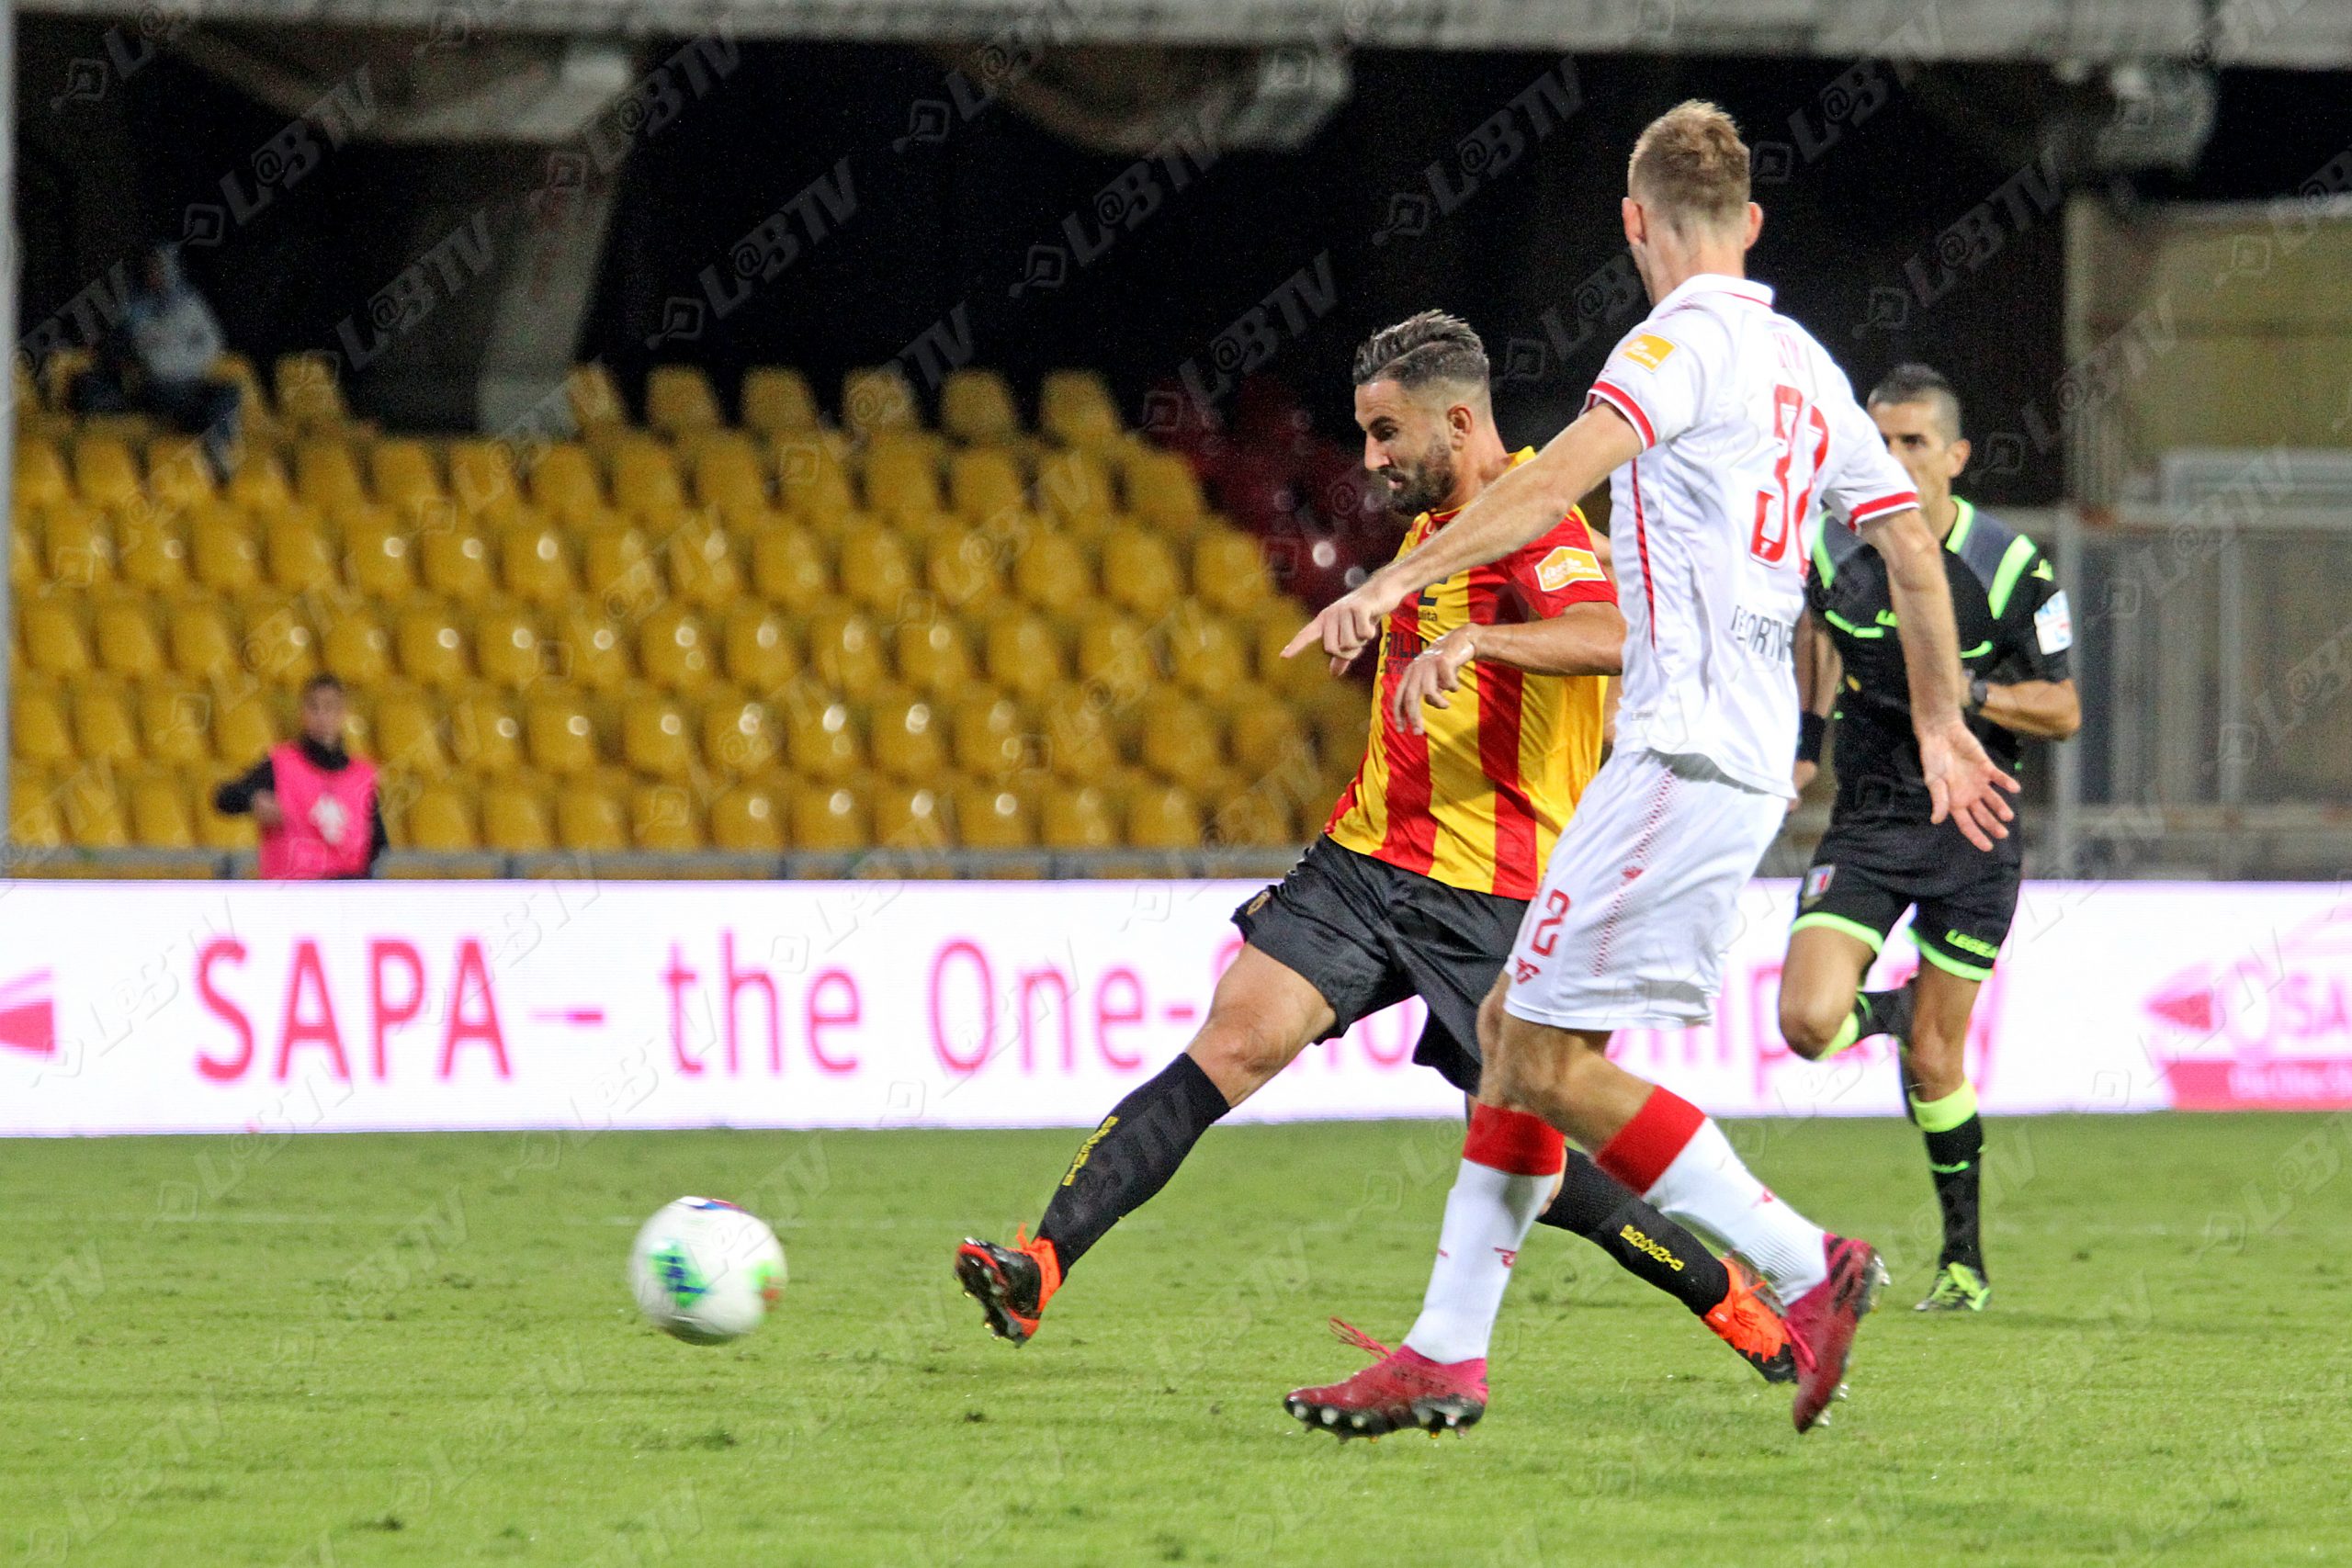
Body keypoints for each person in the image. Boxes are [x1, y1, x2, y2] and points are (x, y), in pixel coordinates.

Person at [1282, 101, 2016, 1439]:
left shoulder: (1676, 346)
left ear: (1633, 222)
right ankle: (1446, 1349)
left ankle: (1804, 1261)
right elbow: (1914, 556)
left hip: (1677, 753)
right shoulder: (1807, 364)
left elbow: (1552, 477)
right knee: (1515, 1033)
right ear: (1749, 222)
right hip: (1724, 762)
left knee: (1544, 1059)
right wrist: (1941, 717)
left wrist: (1401, 576)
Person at [955, 310, 1796, 1386]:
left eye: (1386, 433)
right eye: (1364, 434)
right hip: (1363, 863)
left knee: (1530, 1173)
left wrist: (1480, 637)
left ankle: (1732, 1298)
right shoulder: (1427, 540)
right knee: (1236, 1042)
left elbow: (1622, 639)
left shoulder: (1533, 526)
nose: (1370, 458)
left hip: (1493, 889)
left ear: (1458, 418)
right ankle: (1039, 1263)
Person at [1778, 363, 2079, 1313]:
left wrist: (1957, 694)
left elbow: (2065, 709)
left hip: (1972, 829)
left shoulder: (2010, 566)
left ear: (1953, 455)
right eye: (1881, 442)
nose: (1896, 461)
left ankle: (1963, 1264)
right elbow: (1817, 636)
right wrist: (1804, 746)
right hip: (1866, 823)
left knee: (1939, 1063)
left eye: (1914, 443)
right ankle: (1891, 1014)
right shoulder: (1833, 548)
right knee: (1807, 1026)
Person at [70, 245, 241, 474]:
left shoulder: (190, 303)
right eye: (151, 268)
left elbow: (212, 346)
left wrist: (179, 360)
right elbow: (148, 358)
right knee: (187, 401)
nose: (155, 273)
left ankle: (219, 449)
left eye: (160, 268)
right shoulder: (135, 308)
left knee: (228, 392)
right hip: (150, 386)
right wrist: (173, 356)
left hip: (187, 380)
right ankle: (205, 455)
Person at [213, 675, 388, 879]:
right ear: (303, 712)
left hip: (346, 897)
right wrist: (253, 800)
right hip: (292, 897)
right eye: (314, 707)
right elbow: (223, 797)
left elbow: (378, 845)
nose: (321, 716)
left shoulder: (362, 777)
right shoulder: (280, 765)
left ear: (343, 713)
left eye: (329, 707)